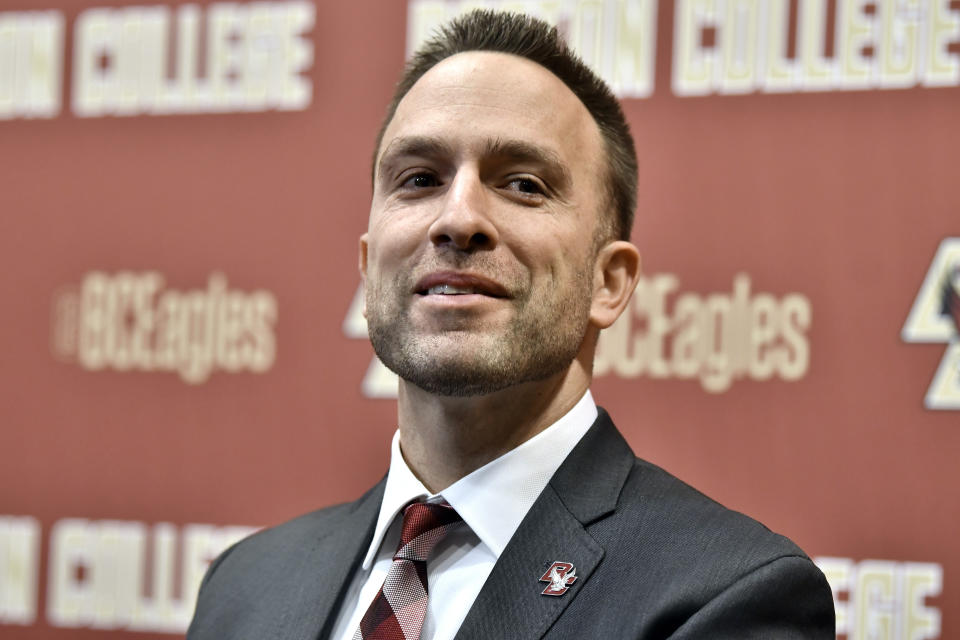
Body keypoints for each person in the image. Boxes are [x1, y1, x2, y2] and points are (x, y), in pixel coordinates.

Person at [187, 10, 836, 640]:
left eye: (524, 184)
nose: (458, 217)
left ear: (607, 284)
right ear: (367, 266)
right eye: (419, 179)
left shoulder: (725, 596)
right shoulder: (247, 585)